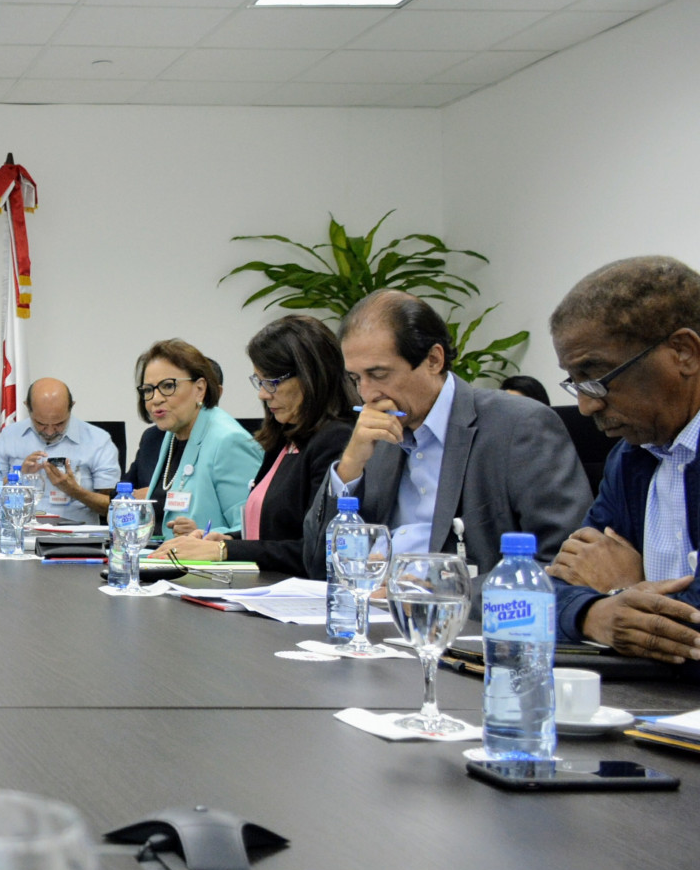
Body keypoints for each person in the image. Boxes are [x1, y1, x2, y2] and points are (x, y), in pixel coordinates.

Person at [302, 290, 588, 579]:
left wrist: (441, 591)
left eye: (379, 375)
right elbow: (318, 565)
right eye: (355, 378)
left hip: (468, 606)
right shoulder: (377, 439)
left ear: (433, 360)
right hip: (373, 603)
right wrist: (351, 464)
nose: (366, 394)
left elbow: (563, 565)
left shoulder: (519, 426)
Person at [544, 257, 700, 663]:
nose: (586, 405)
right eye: (575, 381)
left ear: (684, 353)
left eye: (597, 376)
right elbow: (556, 588)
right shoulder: (630, 458)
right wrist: (594, 613)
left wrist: (622, 589)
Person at [154, 316, 355, 574]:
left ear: (310, 376)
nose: (263, 393)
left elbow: (316, 551)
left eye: (272, 382)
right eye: (259, 381)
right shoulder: (284, 437)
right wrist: (227, 539)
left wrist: (225, 550)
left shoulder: (335, 440)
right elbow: (270, 534)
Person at [131, 339, 261, 536]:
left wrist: (202, 535)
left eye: (168, 386)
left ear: (199, 389)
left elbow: (252, 529)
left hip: (206, 557)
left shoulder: (229, 440)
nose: (156, 399)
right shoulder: (172, 434)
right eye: (148, 390)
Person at [0, 377, 119, 521]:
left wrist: (75, 491)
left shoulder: (98, 440)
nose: (50, 432)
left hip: (76, 533)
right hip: (20, 530)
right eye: (41, 424)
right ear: (27, 407)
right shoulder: (8, 437)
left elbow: (114, 506)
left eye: (59, 423)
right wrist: (19, 475)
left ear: (71, 407)